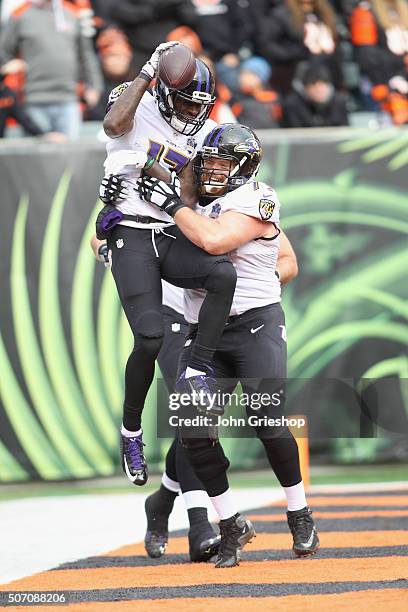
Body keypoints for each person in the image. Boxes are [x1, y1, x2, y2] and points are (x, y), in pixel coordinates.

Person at [138, 123, 320, 568]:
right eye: (208, 162)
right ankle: (229, 522)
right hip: (205, 334)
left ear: (245, 167)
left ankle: (299, 512)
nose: (212, 171)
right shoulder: (191, 196)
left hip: (256, 325)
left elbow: (216, 240)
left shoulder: (257, 197)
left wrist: (256, 287)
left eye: (222, 163)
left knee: (266, 419)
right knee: (193, 429)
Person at [100, 42, 238, 489]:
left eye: (198, 104)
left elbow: (191, 193)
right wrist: (147, 72)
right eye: (182, 99)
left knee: (222, 275)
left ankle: (198, 370)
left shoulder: (205, 128)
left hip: (169, 229)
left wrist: (152, 169)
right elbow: (114, 123)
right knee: (149, 337)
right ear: (161, 91)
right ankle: (131, 431)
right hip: (131, 233)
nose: (189, 111)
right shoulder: (136, 101)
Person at [0, 0, 103, 138]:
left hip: (68, 99)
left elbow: (86, 54)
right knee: (37, 157)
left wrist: (94, 86)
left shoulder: (72, 13)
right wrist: (10, 67)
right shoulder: (20, 14)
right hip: (33, 99)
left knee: (70, 156)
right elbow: (4, 52)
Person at [283, 61, 349, 127]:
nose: (319, 91)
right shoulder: (293, 104)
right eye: (314, 87)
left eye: (322, 86)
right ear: (306, 88)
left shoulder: (339, 102)